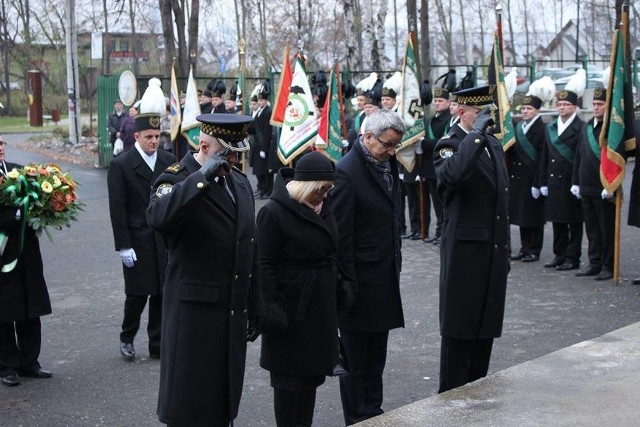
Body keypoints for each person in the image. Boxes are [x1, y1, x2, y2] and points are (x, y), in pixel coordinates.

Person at [147, 113, 263, 427]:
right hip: (194, 316)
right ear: (204, 144)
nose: (235, 160)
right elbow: (158, 217)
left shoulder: (238, 181)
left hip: (231, 311)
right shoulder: (176, 177)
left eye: (238, 153)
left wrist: (256, 304)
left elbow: (248, 244)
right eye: (227, 153)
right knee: (190, 407)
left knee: (222, 405)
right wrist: (202, 178)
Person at [257, 151, 344, 427]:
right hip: (291, 309)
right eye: (321, 190)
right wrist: (271, 308)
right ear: (307, 186)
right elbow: (264, 264)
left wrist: (342, 287)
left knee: (310, 380)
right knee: (288, 383)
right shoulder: (273, 212)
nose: (326, 196)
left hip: (318, 306)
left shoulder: (324, 207)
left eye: (328, 190)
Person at [433, 85, 510, 393]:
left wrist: (504, 251)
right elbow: (452, 177)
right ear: (462, 112)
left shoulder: (493, 144)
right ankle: (450, 398)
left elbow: (500, 200)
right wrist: (475, 135)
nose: (486, 120)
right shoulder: (448, 145)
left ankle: (477, 393)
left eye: (488, 114)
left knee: (485, 328)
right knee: (460, 328)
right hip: (464, 254)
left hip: (492, 252)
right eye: (480, 114)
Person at [332, 109, 406, 425]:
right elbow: (340, 236)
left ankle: (373, 412)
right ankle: (357, 416)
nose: (391, 152)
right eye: (387, 145)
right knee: (355, 361)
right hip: (358, 283)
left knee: (376, 358)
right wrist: (346, 284)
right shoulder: (346, 173)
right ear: (367, 137)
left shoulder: (385, 165)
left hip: (383, 279)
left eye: (395, 147)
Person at [107, 106, 175, 362]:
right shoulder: (121, 165)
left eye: (157, 136)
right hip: (137, 240)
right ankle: (127, 337)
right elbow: (118, 209)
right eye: (149, 137)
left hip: (163, 238)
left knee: (161, 292)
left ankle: (157, 343)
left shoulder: (168, 161)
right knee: (137, 295)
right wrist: (123, 246)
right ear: (136, 137)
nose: (154, 141)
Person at [0, 135, 53, 387]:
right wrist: (16, 213)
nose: (0, 149)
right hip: (3, 254)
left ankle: (30, 361)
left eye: (1, 143)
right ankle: (7, 365)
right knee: (5, 309)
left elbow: (37, 201)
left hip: (26, 252)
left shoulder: (17, 172)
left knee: (30, 304)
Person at [540, 81, 586, 271]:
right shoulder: (551, 127)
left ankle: (572, 257)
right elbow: (545, 156)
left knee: (574, 221)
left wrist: (578, 182)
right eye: (559, 104)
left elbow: (581, 157)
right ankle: (559, 254)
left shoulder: (581, 127)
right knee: (557, 219)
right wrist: (542, 181)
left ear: (574, 107)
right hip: (553, 180)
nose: (561, 107)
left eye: (566, 105)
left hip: (571, 181)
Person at [571, 88, 614, 280]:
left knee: (606, 229)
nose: (596, 108)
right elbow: (578, 156)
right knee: (592, 229)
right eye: (594, 104)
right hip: (586, 185)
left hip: (604, 187)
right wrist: (576, 182)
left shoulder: (612, 129)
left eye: (600, 104)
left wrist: (611, 185)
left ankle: (608, 264)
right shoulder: (587, 127)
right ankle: (594, 262)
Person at [508, 91, 547, 263]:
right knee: (522, 215)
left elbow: (542, 157)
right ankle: (524, 247)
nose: (525, 111)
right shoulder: (519, 127)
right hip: (518, 178)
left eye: (529, 108)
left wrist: (539, 182)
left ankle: (534, 249)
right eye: (523, 108)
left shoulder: (542, 129)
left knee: (534, 216)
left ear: (537, 111)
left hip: (533, 178)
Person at [420, 86, 452, 245]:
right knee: (435, 203)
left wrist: (424, 143)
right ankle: (439, 230)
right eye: (435, 101)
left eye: (441, 101)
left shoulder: (449, 120)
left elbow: (443, 143)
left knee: (443, 203)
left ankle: (444, 232)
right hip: (429, 167)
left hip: (442, 167)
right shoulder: (431, 119)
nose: (437, 104)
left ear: (448, 102)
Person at [249, 82, 273, 199]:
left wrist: (264, 148)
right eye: (259, 101)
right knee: (259, 170)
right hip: (257, 144)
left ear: (266, 101)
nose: (259, 102)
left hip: (264, 145)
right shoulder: (259, 111)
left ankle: (267, 190)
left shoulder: (268, 112)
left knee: (265, 171)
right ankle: (261, 189)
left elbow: (267, 132)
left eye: (261, 101)